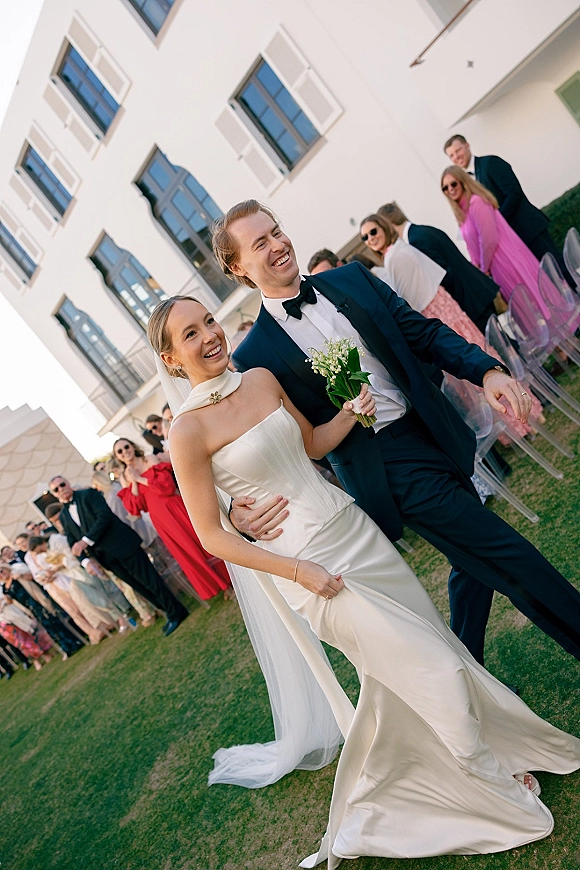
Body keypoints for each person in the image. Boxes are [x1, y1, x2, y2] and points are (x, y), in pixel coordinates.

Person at [148, 293, 580, 865]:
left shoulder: (259, 379)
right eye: (190, 334)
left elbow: (312, 446)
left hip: (355, 533)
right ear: (173, 359)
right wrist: (295, 568)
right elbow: (210, 536)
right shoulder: (186, 433)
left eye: (208, 321)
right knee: (433, 666)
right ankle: (492, 789)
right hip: (307, 568)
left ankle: (481, 754)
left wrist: (351, 407)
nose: (209, 336)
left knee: (425, 655)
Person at [210, 199, 580, 668]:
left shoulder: (351, 279)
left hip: (433, 430)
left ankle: (465, 683)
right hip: (386, 467)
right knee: (507, 554)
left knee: (473, 566)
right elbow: (257, 446)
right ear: (237, 266)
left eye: (277, 231)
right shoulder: (254, 354)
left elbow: (422, 333)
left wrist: (486, 371)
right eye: (260, 243)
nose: (279, 245)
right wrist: (234, 511)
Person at [359, 213, 542, 441]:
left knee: (472, 375)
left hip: (436, 315)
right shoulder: (398, 252)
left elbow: (403, 303)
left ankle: (521, 422)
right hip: (443, 308)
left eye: (373, 231)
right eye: (365, 237)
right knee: (482, 358)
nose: (370, 239)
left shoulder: (395, 256)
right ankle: (528, 412)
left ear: (384, 227)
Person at [49, 475, 188, 636]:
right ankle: (170, 613)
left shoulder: (89, 494)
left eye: (62, 484)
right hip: (107, 559)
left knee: (151, 581)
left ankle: (177, 613)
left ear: (68, 483)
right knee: (140, 588)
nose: (61, 489)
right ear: (54, 494)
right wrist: (86, 561)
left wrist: (85, 541)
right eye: (56, 489)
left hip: (123, 545)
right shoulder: (64, 515)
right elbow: (72, 542)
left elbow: (104, 517)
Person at [113, 438, 232, 600]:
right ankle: (220, 584)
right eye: (119, 451)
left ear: (132, 447)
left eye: (126, 447)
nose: (124, 451)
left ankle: (230, 575)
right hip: (160, 519)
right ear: (117, 457)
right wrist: (133, 481)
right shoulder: (125, 478)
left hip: (174, 506)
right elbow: (135, 508)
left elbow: (167, 486)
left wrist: (140, 479)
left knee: (199, 539)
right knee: (188, 549)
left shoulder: (149, 459)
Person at [444, 135, 570, 280]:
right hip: (512, 241)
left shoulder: (491, 163)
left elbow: (514, 193)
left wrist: (496, 222)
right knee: (546, 280)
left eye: (458, 150)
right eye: (451, 155)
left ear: (467, 145)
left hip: (528, 229)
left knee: (560, 270)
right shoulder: (464, 183)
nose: (456, 157)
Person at [440, 166, 549, 318]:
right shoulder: (462, 213)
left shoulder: (476, 202)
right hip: (493, 266)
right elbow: (471, 245)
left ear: (463, 182)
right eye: (445, 188)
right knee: (523, 310)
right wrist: (477, 268)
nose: (450, 189)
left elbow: (488, 238)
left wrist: (484, 268)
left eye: (453, 184)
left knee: (531, 303)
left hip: (505, 258)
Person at [378, 201, 501, 331]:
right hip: (475, 290)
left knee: (500, 346)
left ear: (388, 226)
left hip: (469, 299)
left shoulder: (415, 241)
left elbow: (444, 275)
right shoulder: (422, 230)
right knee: (503, 343)